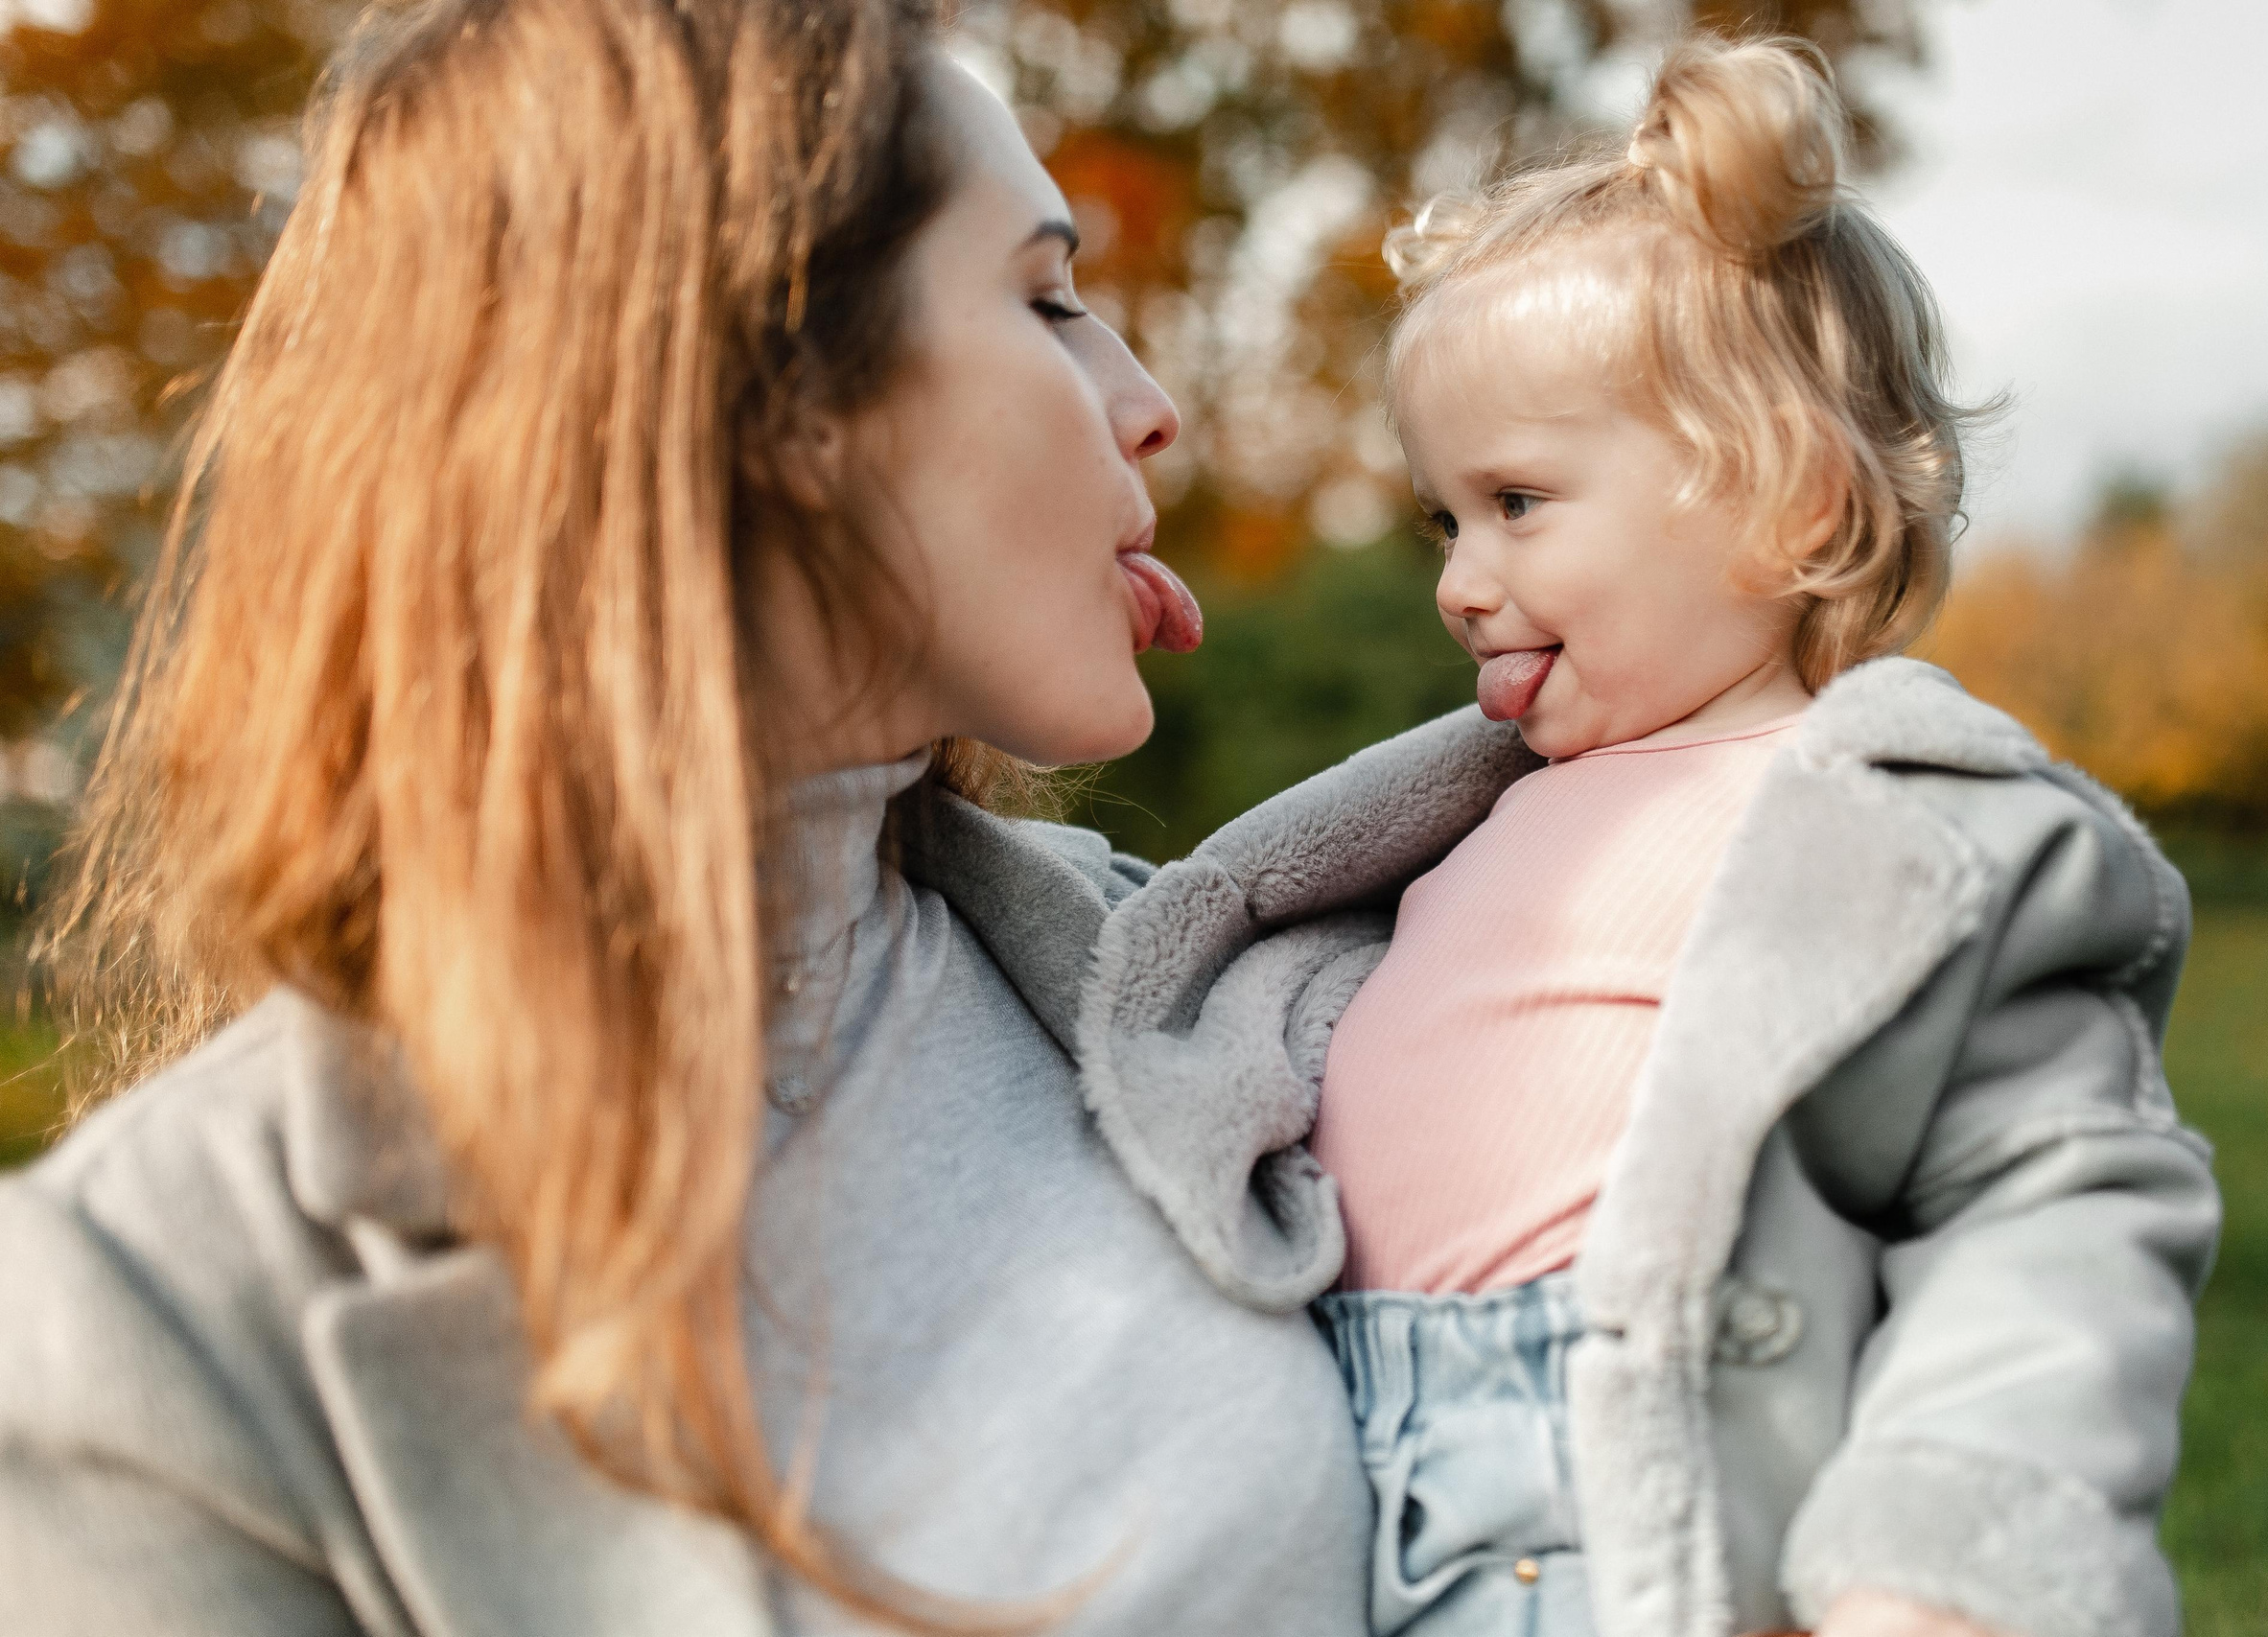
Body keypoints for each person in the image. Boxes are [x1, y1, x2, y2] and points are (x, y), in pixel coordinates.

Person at [0, 2, 1370, 1632]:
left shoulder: (1201, 986)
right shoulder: (138, 1319)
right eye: (1047, 297)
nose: (1148, 403)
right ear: (769, 390)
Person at [1064, 34, 2222, 1637]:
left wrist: (1937, 1568)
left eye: (1519, 505)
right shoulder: (1471, 816)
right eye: (1444, 520)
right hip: (1346, 1484)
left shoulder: (1900, 834)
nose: (1461, 580)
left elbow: (2057, 1203)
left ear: (1789, 507)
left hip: (1640, 1504)